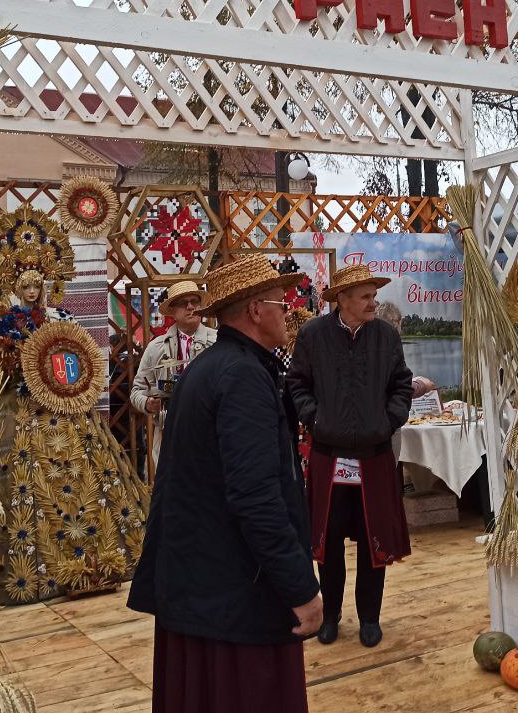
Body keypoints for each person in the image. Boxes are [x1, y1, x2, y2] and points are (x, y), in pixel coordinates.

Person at [128, 255, 322, 713]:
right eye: (281, 301)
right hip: (233, 595)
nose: (289, 311)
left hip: (202, 584)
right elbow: (255, 497)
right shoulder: (242, 378)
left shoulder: (211, 366)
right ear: (256, 310)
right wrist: (300, 588)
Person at [286, 263, 413, 649]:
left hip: (374, 456)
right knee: (328, 544)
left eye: (374, 295)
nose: (373, 302)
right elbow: (297, 384)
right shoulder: (312, 335)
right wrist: (316, 420)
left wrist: (388, 421)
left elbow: (401, 385)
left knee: (375, 545)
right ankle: (331, 616)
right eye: (366, 296)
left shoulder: (386, 336)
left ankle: (370, 619)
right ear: (342, 299)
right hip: (330, 455)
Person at [130, 279, 217, 467]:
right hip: (170, 433)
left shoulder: (218, 342)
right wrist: (147, 403)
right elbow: (136, 391)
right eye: (183, 303)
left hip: (212, 432)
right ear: (173, 311)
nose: (190, 307)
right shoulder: (156, 347)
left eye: (195, 301)